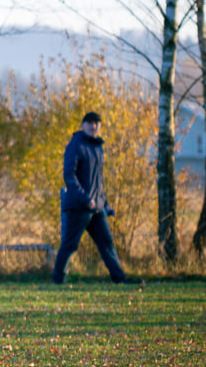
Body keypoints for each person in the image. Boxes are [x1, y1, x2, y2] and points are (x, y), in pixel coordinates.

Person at [52, 112, 141, 285]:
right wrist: (85, 198)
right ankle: (57, 280)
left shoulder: (97, 148)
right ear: (83, 125)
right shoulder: (76, 145)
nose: (93, 126)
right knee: (70, 245)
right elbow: (69, 176)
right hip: (79, 206)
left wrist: (105, 204)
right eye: (90, 123)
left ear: (100, 127)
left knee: (107, 243)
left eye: (96, 124)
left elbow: (98, 181)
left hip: (96, 207)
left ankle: (119, 279)